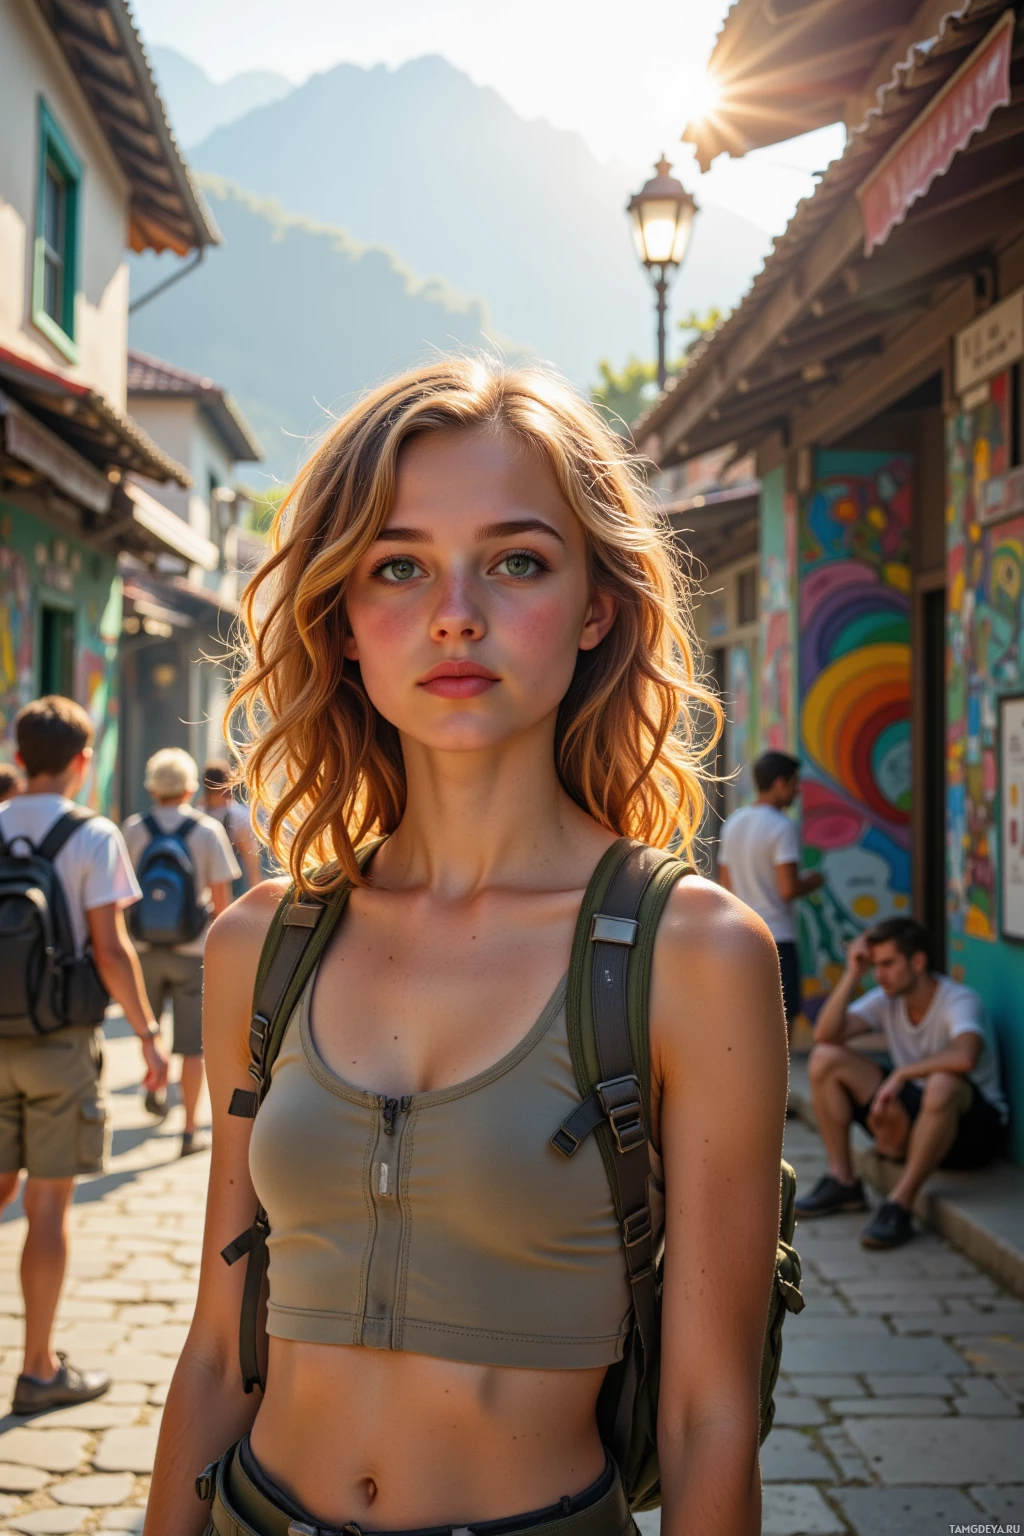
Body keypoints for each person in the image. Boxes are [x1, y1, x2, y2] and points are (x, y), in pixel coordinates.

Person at [144, 360, 789, 1536]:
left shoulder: (694, 954)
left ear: (597, 605)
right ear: (341, 619)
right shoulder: (261, 942)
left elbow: (708, 1415)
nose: (455, 612)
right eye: (399, 565)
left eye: (516, 561)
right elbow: (213, 1355)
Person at [0, 696, 168, 1412]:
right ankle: (39, 1367)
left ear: (17, 756)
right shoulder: (94, 835)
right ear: (81, 761)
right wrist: (149, 1037)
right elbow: (109, 949)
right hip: (61, 1043)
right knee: (46, 1205)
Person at [795, 917, 1007, 1249]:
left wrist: (901, 1074)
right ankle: (843, 1182)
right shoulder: (886, 999)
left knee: (942, 1083)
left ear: (918, 961)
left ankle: (899, 1204)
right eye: (874, 965)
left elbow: (964, 1056)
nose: (879, 975)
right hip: (917, 1115)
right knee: (825, 1058)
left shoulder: (958, 1000)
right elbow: (826, 1034)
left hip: (971, 1133)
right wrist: (853, 973)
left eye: (888, 964)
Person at [123, 750, 240, 1157]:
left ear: (152, 787)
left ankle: (154, 1084)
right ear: (190, 789)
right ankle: (189, 1130)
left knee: (149, 1029)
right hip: (193, 952)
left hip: (143, 950)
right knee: (192, 1046)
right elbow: (223, 905)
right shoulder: (207, 831)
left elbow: (123, 897)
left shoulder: (133, 829)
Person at [718, 750, 823, 1035]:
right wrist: (814, 880)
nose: (797, 791)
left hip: (741, 935)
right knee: (781, 1023)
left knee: (746, 1020)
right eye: (794, 784)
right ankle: (777, 1081)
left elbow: (725, 887)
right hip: (778, 936)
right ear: (779, 783)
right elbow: (788, 888)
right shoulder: (782, 826)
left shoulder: (734, 823)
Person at [201, 759, 263, 895]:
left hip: (209, 892)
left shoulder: (198, 814)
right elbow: (252, 864)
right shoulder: (240, 816)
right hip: (231, 893)